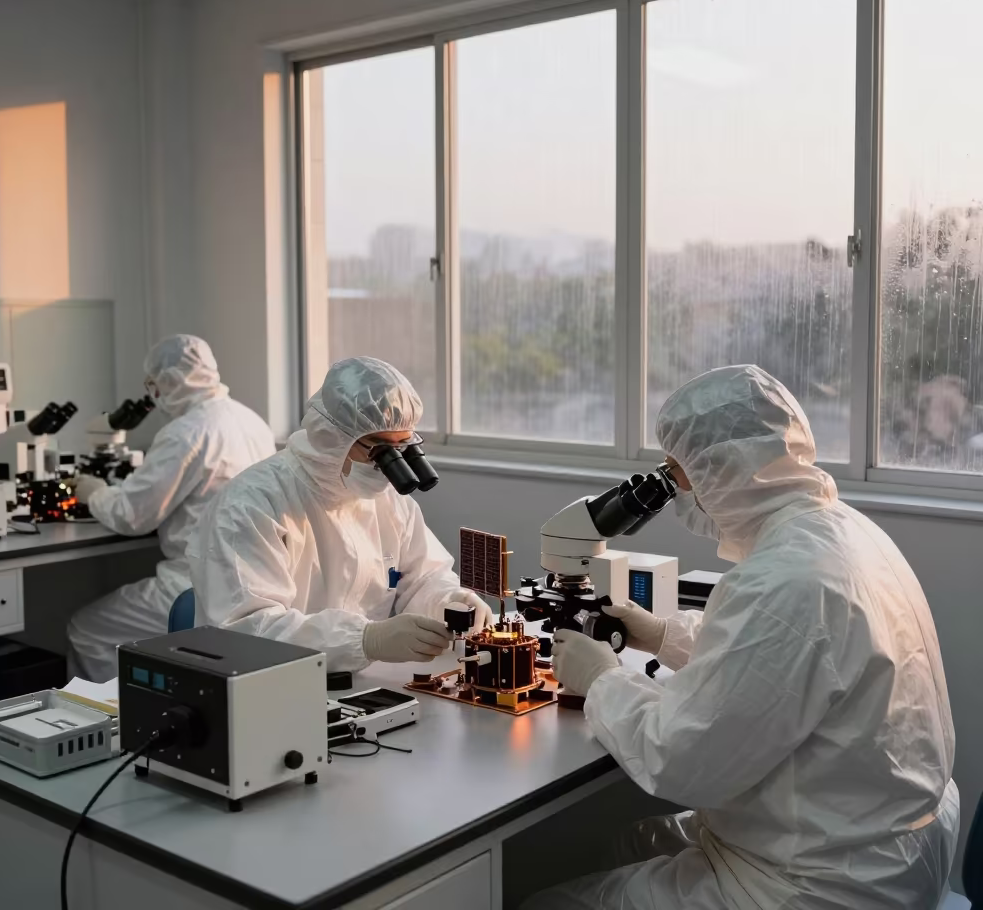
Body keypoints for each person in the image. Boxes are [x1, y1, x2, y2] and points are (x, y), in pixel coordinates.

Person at [533, 364, 959, 910]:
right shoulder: (838, 530)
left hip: (817, 882)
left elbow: (681, 759)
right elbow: (781, 661)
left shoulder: (785, 580)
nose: (670, 490)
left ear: (724, 468)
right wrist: (664, 635)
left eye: (675, 471)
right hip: (876, 839)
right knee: (618, 843)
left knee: (548, 903)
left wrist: (602, 680)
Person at [190, 356, 492, 671]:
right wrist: (364, 640)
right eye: (378, 449)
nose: (388, 468)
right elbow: (248, 630)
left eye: (403, 448)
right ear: (331, 437)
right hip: (272, 684)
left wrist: (448, 601)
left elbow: (423, 577)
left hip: (362, 681)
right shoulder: (252, 504)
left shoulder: (390, 502)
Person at [68, 335, 276, 681]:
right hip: (256, 581)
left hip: (195, 584)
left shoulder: (185, 432)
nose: (154, 396)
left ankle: (109, 724)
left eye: (153, 386)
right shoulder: (251, 420)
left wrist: (94, 492)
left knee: (86, 630)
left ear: (168, 381)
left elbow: (130, 516)